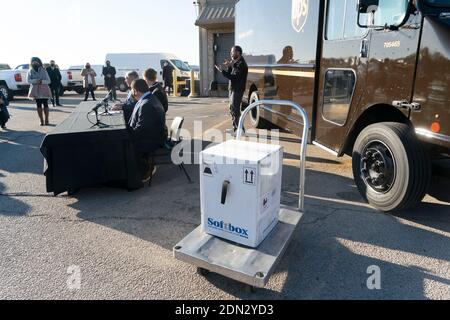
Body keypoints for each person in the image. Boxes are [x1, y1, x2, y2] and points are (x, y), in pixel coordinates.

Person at [127, 79, 166, 182]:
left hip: (151, 140)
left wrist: (127, 135)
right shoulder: (149, 98)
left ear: (136, 91)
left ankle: (145, 170)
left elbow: (141, 129)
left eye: (132, 90)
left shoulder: (146, 104)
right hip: (153, 135)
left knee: (124, 146)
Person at [215, 45, 248, 132]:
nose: (231, 54)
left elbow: (233, 77)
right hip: (232, 89)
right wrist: (229, 66)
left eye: (232, 52)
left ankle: (240, 130)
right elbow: (230, 73)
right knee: (232, 109)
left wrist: (222, 71)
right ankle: (235, 128)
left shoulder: (241, 64)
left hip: (237, 90)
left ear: (238, 53)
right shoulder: (235, 63)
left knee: (235, 110)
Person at [27, 57, 52, 126]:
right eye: (33, 62)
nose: (35, 63)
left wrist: (42, 81)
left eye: (36, 61)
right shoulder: (30, 71)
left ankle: (46, 119)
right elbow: (28, 80)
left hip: (44, 90)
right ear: (31, 63)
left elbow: (49, 80)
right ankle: (41, 120)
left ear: (39, 62)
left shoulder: (44, 70)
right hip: (35, 91)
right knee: (38, 105)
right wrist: (35, 81)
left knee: (45, 104)